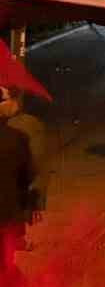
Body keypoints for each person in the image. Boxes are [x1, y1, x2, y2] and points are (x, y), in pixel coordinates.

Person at [0, 86, 47, 228]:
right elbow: (32, 171)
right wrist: (34, 202)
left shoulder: (25, 127)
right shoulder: (21, 133)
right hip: (11, 209)